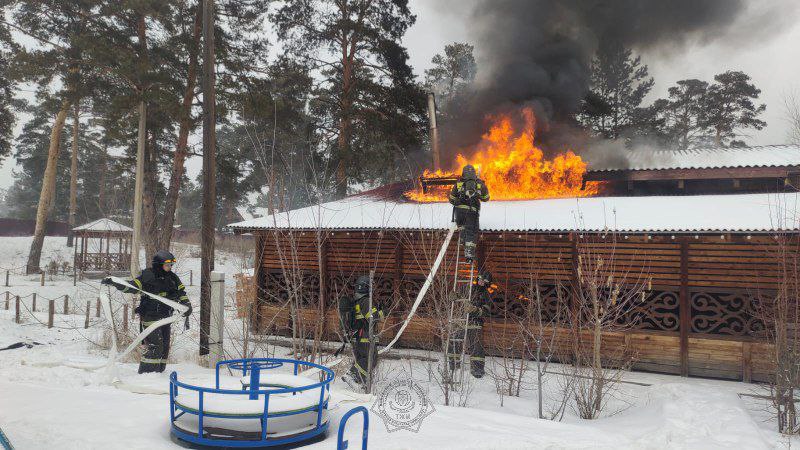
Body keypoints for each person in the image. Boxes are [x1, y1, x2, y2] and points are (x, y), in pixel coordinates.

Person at [102, 250, 192, 374]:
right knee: (155, 346)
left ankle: (159, 374)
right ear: (159, 264)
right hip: (150, 316)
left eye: (171, 265)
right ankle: (146, 375)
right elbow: (131, 287)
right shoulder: (147, 276)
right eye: (167, 265)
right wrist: (115, 283)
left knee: (164, 346)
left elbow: (181, 293)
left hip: (166, 316)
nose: (170, 267)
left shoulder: (173, 278)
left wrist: (186, 304)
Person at [338, 275, 384, 389]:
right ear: (367, 288)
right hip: (364, 337)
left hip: (356, 337)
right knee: (370, 359)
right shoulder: (365, 301)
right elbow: (373, 318)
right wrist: (384, 312)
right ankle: (351, 375)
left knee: (361, 360)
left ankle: (360, 384)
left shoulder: (355, 301)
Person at [448, 270, 495, 378]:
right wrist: (453, 296)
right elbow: (457, 296)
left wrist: (474, 310)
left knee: (476, 347)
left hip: (475, 322)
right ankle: (453, 366)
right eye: (481, 279)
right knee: (454, 341)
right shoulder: (468, 289)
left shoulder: (487, 294)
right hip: (462, 320)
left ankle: (477, 370)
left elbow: (486, 311)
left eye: (485, 281)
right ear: (477, 279)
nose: (482, 282)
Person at [448, 164, 490, 262]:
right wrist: (477, 194)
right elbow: (486, 198)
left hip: (459, 213)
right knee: (471, 232)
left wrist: (459, 200)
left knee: (463, 229)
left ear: (463, 173)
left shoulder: (458, 183)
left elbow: (451, 199)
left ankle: (463, 242)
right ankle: (469, 256)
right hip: (471, 212)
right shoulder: (479, 184)